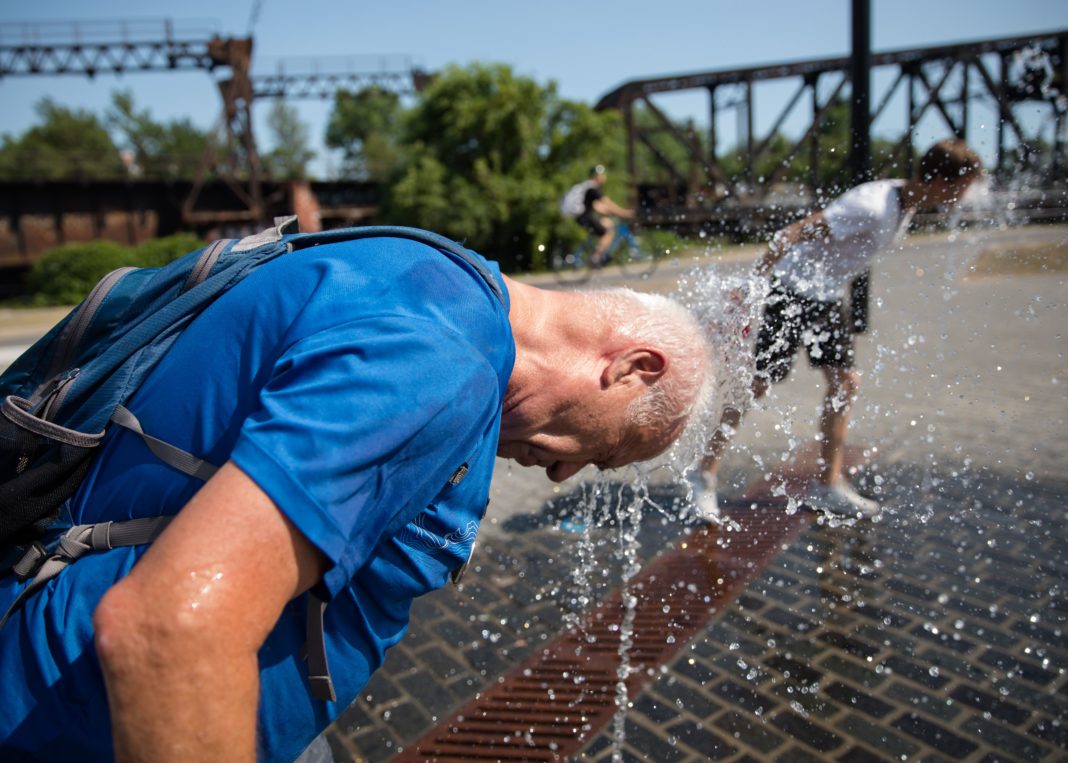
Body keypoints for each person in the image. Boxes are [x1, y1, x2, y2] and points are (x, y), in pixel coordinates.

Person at [0, 230, 713, 761]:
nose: (564, 475)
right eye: (608, 453)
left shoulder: (422, 272)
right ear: (632, 369)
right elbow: (174, 630)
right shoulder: (439, 364)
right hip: (89, 723)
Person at [692, 138, 982, 519]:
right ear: (941, 182)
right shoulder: (872, 208)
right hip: (791, 291)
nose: (964, 198)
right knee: (757, 386)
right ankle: (703, 475)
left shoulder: (903, 201)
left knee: (846, 383)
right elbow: (792, 234)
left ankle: (828, 484)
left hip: (826, 297)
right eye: (961, 189)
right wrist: (754, 288)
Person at [561, 164, 636, 265]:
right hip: (585, 218)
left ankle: (599, 252)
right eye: (603, 174)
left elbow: (598, 207)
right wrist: (624, 213)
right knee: (608, 232)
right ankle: (596, 258)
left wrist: (612, 212)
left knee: (608, 223)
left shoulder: (587, 187)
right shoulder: (593, 188)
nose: (604, 177)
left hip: (582, 217)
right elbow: (607, 203)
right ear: (598, 176)